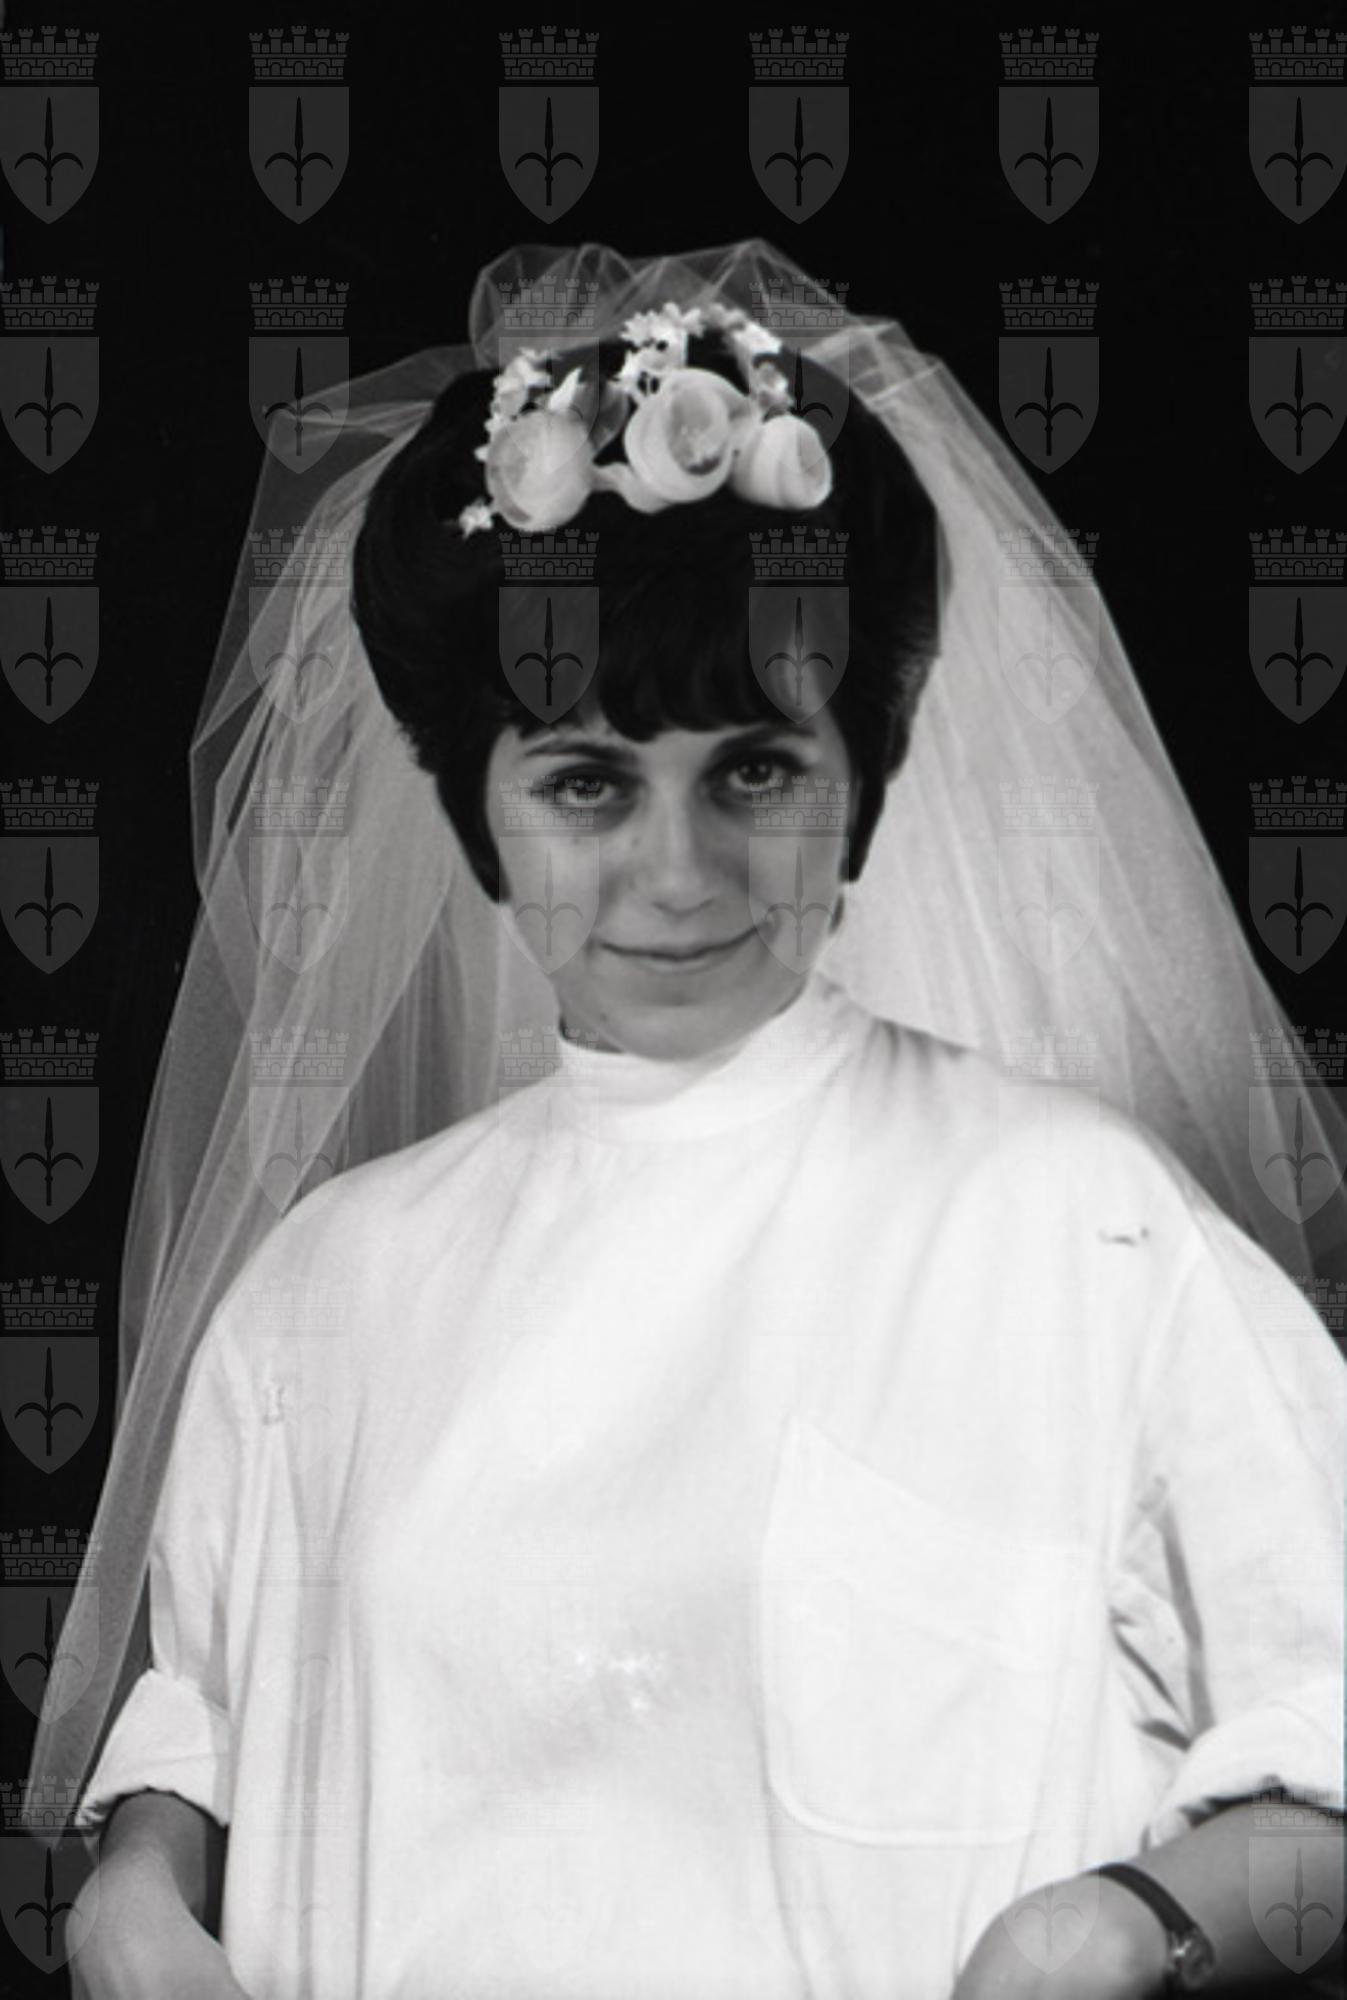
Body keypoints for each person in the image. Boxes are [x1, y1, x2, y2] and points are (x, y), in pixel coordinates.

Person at [34, 241, 1346, 2000]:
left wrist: (1122, 1922)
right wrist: (134, 1888)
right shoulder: (324, 1286)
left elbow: (1329, 1738)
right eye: (587, 782)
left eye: (756, 770)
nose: (678, 872)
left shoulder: (1077, 1223)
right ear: (473, 806)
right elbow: (200, 1720)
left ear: (864, 779)